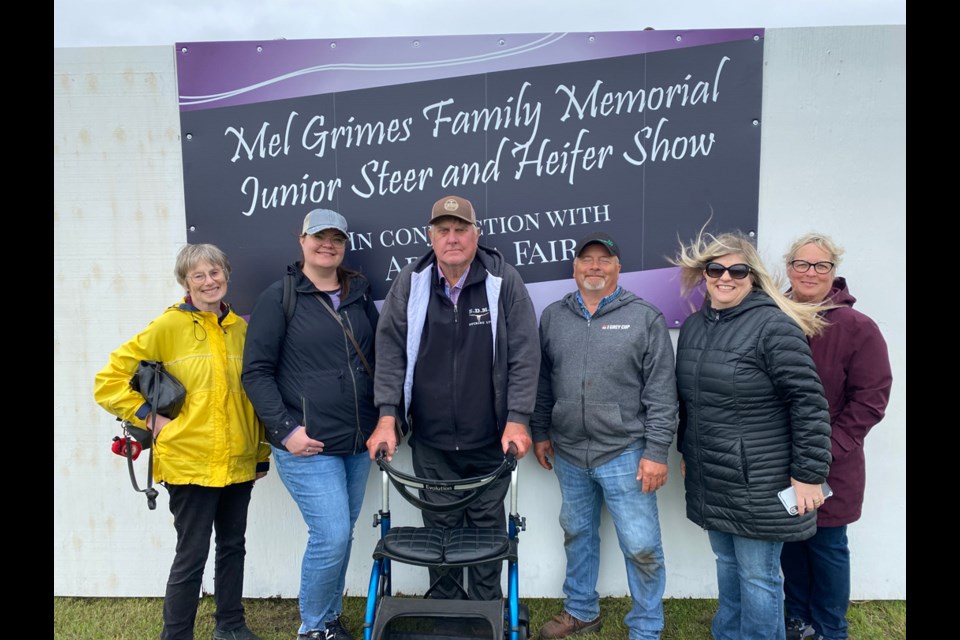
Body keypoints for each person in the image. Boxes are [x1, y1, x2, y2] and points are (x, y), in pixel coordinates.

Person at [365, 194, 540, 601]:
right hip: (432, 442)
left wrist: (518, 418)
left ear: (476, 234)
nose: (453, 238)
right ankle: (445, 610)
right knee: (439, 531)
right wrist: (387, 418)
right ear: (431, 236)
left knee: (485, 531)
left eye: (461, 229)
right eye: (443, 230)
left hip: (490, 439)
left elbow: (526, 353)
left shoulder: (503, 280)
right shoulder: (411, 280)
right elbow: (389, 350)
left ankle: (485, 612)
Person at [94, 244, 269, 640]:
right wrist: (151, 420)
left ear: (227, 274)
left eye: (215, 272)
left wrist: (259, 454)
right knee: (191, 555)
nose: (210, 281)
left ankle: (231, 625)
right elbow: (107, 383)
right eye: (198, 276)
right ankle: (176, 635)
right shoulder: (167, 327)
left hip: (238, 461)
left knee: (233, 546)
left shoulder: (240, 329)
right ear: (186, 282)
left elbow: (253, 396)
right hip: (190, 462)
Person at [672, 230, 832, 640]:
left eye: (737, 270)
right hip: (715, 476)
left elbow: (808, 404)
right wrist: (687, 451)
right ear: (704, 273)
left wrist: (809, 474)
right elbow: (690, 401)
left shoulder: (773, 326)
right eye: (716, 268)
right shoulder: (693, 327)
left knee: (759, 576)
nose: (725, 277)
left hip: (761, 479)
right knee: (727, 567)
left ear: (753, 276)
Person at [531, 232, 679, 640]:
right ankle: (581, 610)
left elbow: (662, 392)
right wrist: (541, 431)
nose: (594, 267)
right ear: (574, 267)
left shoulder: (644, 317)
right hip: (569, 452)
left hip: (626, 453)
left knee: (641, 545)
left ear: (618, 267)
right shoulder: (554, 317)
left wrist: (656, 451)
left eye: (604, 259)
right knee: (577, 534)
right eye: (586, 259)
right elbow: (544, 382)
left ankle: (646, 627)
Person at [242, 209, 379, 640]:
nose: (329, 244)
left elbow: (377, 360)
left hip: (357, 443)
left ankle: (331, 617)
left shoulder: (358, 294)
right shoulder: (278, 297)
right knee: (333, 534)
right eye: (320, 236)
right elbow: (256, 372)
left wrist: (383, 422)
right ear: (301, 241)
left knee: (341, 534)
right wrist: (286, 431)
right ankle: (313, 627)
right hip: (308, 444)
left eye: (337, 237)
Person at [779, 233, 893, 640]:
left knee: (826, 546)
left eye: (821, 265)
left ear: (834, 272)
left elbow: (871, 400)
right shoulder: (773, 317)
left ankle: (829, 628)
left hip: (833, 465)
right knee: (792, 545)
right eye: (802, 264)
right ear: (788, 267)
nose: (810, 272)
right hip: (780, 460)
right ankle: (796, 620)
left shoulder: (857, 328)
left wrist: (826, 449)